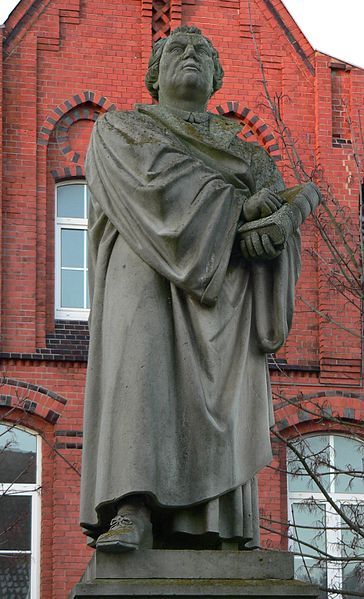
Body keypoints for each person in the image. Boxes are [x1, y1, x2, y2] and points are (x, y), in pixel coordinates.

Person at [80, 25, 310, 553]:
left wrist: (271, 240)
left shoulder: (248, 155)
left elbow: (277, 219)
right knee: (140, 376)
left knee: (224, 396)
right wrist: (236, 208)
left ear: (215, 77)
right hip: (144, 275)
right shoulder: (119, 129)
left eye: (202, 53)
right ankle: (132, 510)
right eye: (177, 50)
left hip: (225, 297)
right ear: (154, 75)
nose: (191, 56)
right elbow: (152, 184)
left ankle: (222, 525)